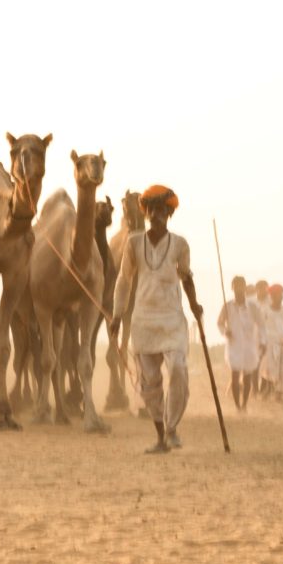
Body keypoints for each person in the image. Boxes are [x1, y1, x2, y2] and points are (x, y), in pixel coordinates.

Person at [111, 185, 202, 454]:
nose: (156, 214)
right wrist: (117, 315)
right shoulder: (134, 243)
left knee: (178, 371)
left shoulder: (180, 244)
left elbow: (186, 277)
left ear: (169, 213)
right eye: (151, 209)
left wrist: (195, 304)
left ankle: (173, 427)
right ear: (146, 213)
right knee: (150, 384)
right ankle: (162, 435)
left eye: (161, 210)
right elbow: (124, 281)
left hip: (172, 320)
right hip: (143, 322)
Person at [217, 275, 259, 412]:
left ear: (245, 287)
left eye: (241, 285)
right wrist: (225, 331)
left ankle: (244, 404)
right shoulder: (227, 306)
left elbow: (261, 324)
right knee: (235, 375)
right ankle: (237, 406)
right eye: (236, 286)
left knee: (247, 377)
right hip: (234, 345)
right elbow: (220, 322)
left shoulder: (252, 306)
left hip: (249, 346)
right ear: (232, 288)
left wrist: (262, 341)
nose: (238, 289)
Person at [261, 284, 283, 399]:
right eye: (279, 294)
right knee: (270, 368)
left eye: (282, 294)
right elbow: (260, 327)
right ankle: (267, 392)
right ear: (272, 296)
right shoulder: (266, 310)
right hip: (271, 343)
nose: (282, 297)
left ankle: (278, 394)